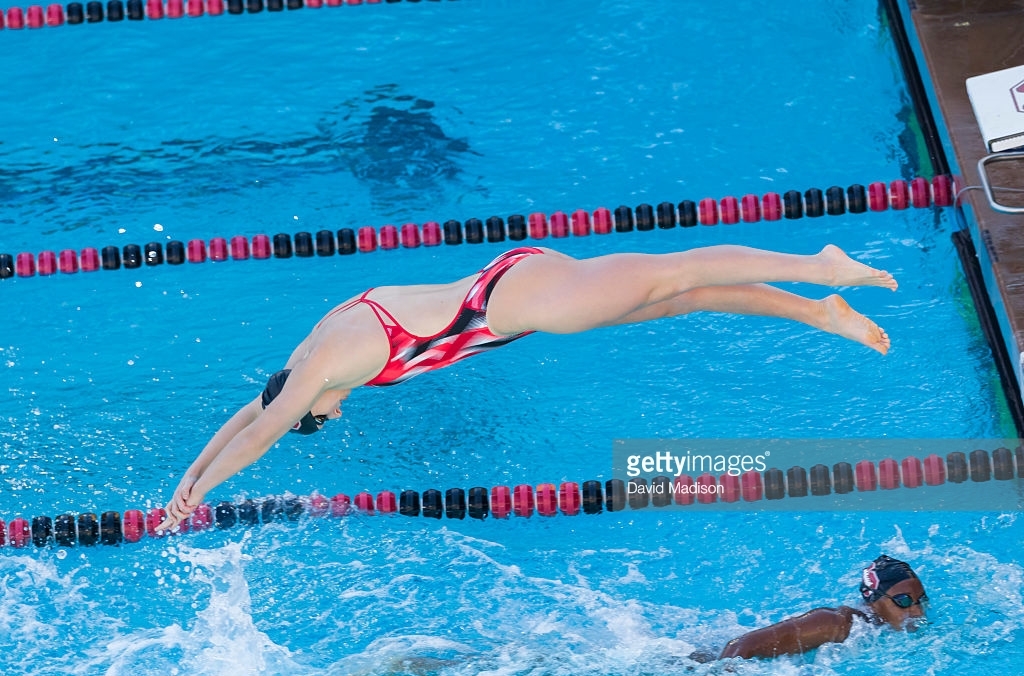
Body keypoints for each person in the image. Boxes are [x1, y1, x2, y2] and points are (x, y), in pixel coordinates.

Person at [155, 244, 897, 531]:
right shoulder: (310, 347)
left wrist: (200, 493)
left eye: (319, 416)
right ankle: (820, 310)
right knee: (681, 298)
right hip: (513, 290)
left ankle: (818, 266)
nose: (335, 411)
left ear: (307, 399)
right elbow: (252, 408)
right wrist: (187, 478)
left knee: (677, 276)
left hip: (522, 303)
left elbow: (261, 430)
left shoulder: (327, 365)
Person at [716, 554, 928, 660]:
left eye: (921, 600)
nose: (917, 611)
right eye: (904, 601)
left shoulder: (881, 628)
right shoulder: (834, 623)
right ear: (873, 600)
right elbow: (740, 646)